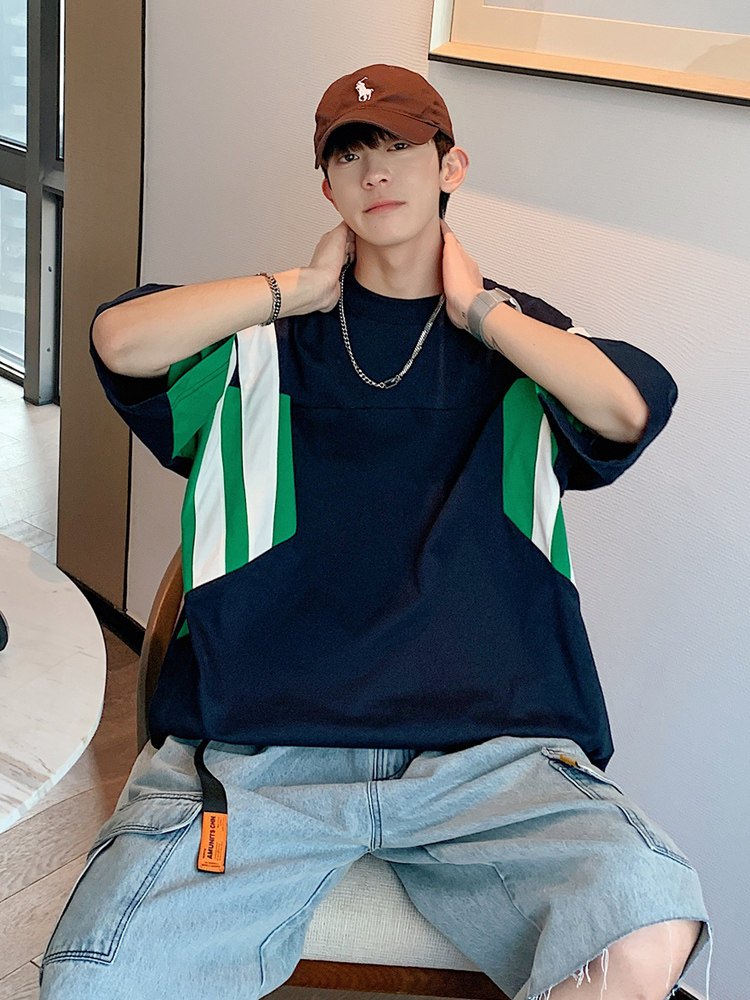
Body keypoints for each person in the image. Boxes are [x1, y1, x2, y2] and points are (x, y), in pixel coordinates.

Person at [40, 64, 710, 1000]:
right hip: (265, 753)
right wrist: (294, 287)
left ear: (451, 166)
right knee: (96, 980)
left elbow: (629, 407)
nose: (377, 172)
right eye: (351, 155)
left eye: (400, 146)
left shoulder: (524, 348)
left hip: (492, 758)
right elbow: (119, 340)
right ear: (327, 186)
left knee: (647, 919)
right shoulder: (259, 344)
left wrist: (482, 312)